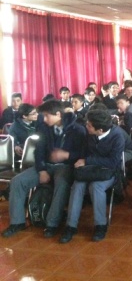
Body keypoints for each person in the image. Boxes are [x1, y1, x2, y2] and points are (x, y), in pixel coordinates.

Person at [2, 100, 86, 238]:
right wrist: (41, 170)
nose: (44, 119)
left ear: (58, 114)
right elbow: (39, 151)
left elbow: (83, 155)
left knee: (61, 184)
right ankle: (17, 222)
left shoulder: (77, 130)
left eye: (47, 116)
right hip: (45, 165)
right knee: (18, 181)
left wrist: (66, 155)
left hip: (65, 166)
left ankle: (51, 224)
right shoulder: (44, 128)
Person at [59, 110, 125, 243]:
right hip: (89, 170)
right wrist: (81, 160)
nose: (86, 126)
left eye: (89, 125)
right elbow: (83, 153)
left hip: (108, 172)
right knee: (77, 185)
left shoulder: (118, 136)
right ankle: (71, 226)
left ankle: (100, 225)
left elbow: (113, 162)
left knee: (96, 187)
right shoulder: (89, 134)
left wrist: (88, 161)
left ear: (100, 130)